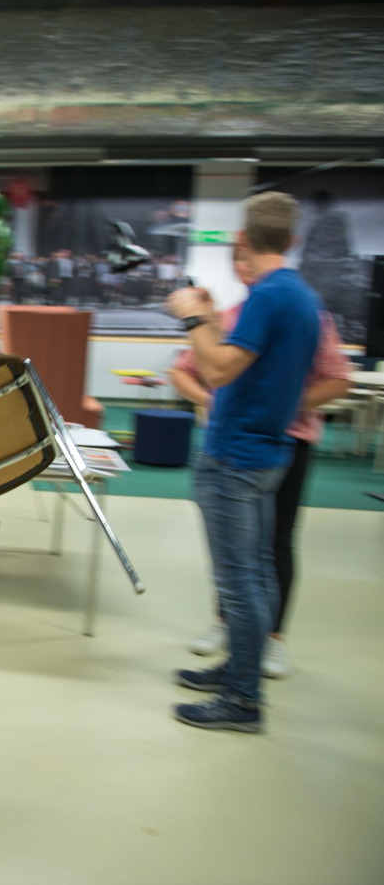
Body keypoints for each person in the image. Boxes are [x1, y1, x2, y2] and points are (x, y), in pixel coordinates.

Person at [165, 192, 321, 733]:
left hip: (237, 456)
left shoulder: (268, 297)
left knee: (239, 581)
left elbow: (217, 370)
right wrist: (211, 318)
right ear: (292, 239)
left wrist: (193, 317)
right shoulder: (300, 296)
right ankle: (241, 669)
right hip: (267, 451)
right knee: (256, 572)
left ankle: (242, 698)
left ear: (242, 239)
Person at [169, 244, 351, 678]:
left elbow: (219, 371)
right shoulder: (251, 309)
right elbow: (198, 371)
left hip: (264, 447)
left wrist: (277, 404)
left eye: (247, 255)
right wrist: (210, 327)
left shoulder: (295, 307)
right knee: (240, 557)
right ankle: (238, 646)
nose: (243, 266)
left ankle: (258, 657)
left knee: (266, 551)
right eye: (237, 259)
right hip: (245, 445)